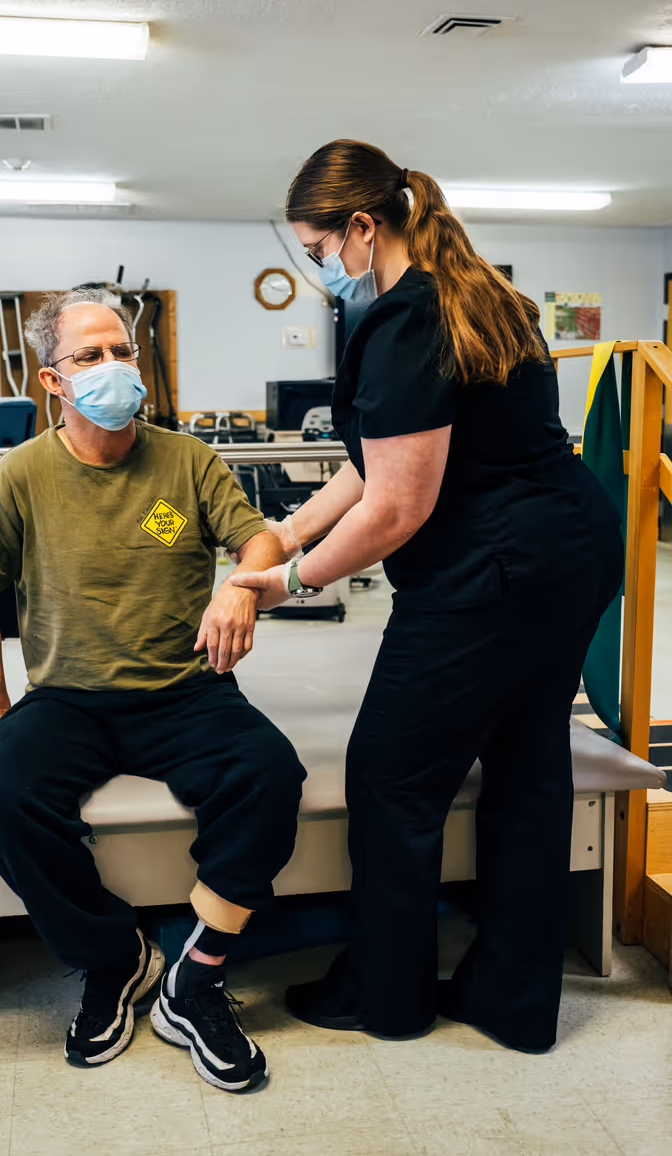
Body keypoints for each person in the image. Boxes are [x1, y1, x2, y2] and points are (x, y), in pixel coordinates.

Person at [231, 140, 624, 1053]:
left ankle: (385, 994)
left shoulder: (408, 319)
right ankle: (513, 1001)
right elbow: (379, 461)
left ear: (362, 227)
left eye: (320, 251)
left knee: (390, 776)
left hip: (492, 572)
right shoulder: (488, 294)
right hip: (570, 549)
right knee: (529, 766)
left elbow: (399, 505)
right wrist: (287, 531)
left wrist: (294, 581)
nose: (323, 268)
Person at [0, 288, 305, 1091]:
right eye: (89, 357)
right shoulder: (22, 475)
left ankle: (196, 977)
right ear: (52, 382)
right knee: (2, 799)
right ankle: (116, 957)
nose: (113, 368)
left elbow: (262, 540)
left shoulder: (186, 461)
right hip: (68, 697)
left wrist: (243, 585)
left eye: (121, 352)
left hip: (186, 690)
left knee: (270, 775)